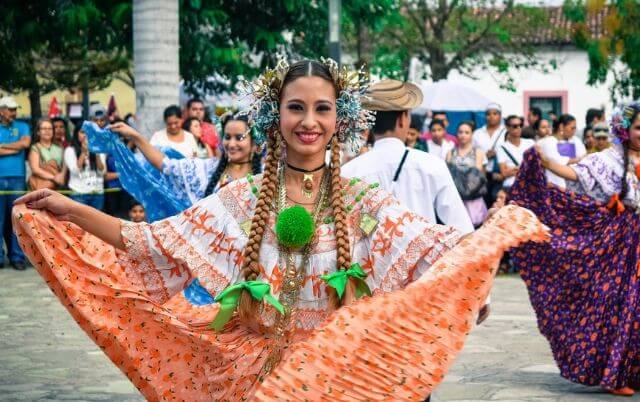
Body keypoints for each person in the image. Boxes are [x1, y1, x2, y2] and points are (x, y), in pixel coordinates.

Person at [12, 59, 545, 400]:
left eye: (321, 108)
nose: (308, 120)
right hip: (251, 375)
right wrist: (70, 209)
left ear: (341, 120)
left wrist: (488, 243)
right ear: (276, 117)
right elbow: (149, 242)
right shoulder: (239, 199)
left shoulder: (363, 201)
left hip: (337, 378)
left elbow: (430, 246)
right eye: (296, 107)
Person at [510, 103, 640, 396]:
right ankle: (616, 374)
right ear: (624, 130)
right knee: (625, 302)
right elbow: (579, 175)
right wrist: (548, 164)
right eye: (639, 128)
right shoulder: (610, 159)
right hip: (621, 241)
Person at [342, 78, 474, 235]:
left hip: (369, 259)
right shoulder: (432, 165)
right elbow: (463, 229)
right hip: (426, 258)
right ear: (403, 119)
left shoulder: (349, 172)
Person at [87, 114, 261, 222]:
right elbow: (166, 165)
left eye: (239, 137)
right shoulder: (205, 170)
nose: (231, 143)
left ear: (256, 145)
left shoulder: (268, 177)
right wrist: (135, 136)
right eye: (227, 137)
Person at [0, 96, 29, 270]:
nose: (13, 113)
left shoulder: (23, 126)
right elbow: (20, 145)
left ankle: (17, 257)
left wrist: (3, 145)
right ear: (1, 110)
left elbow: (25, 143)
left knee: (16, 219)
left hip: (17, 178)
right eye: (10, 109)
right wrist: (15, 146)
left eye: (14, 109)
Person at [446, 121, 488, 226]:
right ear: (457, 134)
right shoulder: (450, 152)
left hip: (473, 196)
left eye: (466, 132)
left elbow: (479, 174)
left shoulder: (478, 152)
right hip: (456, 197)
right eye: (460, 132)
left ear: (471, 134)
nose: (463, 135)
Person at [64, 125, 106, 210]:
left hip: (97, 193)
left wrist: (96, 152)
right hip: (79, 193)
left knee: (96, 222)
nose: (86, 135)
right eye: (82, 132)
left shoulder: (99, 149)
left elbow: (102, 172)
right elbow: (75, 171)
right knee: (79, 223)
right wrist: (83, 153)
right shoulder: (70, 150)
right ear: (76, 134)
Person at [497, 115, 534, 191]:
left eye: (521, 125)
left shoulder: (530, 143)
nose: (519, 128)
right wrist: (525, 167)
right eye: (515, 126)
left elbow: (536, 165)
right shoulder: (501, 147)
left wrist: (513, 169)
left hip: (529, 185)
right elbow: (504, 173)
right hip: (510, 186)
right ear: (507, 128)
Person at [27, 118, 66, 191]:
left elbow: (63, 167)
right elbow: (35, 169)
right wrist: (54, 177)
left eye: (50, 128)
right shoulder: (35, 148)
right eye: (44, 128)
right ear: (38, 132)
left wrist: (61, 176)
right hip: (41, 186)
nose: (47, 131)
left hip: (57, 186)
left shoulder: (60, 148)